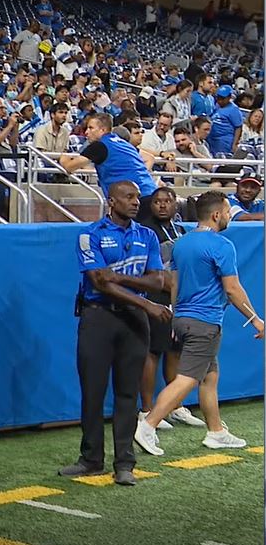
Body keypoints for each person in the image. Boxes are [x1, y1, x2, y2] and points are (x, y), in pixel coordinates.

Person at [135, 191, 262, 455]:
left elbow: (174, 283)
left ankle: (216, 432)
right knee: (188, 379)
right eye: (226, 212)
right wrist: (256, 320)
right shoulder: (222, 245)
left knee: (209, 376)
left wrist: (175, 317)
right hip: (205, 323)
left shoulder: (181, 243)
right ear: (216, 215)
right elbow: (232, 289)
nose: (228, 217)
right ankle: (148, 425)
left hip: (183, 319)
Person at [61, 181, 169, 486]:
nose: (136, 202)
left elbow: (158, 281)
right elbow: (98, 281)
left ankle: (125, 463)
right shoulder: (90, 234)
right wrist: (146, 304)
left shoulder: (147, 235)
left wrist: (118, 277)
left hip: (133, 322)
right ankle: (91, 459)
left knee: (128, 393)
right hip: (98, 318)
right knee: (93, 392)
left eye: (137, 197)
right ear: (111, 201)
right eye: (128, 197)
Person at [137, 187, 195, 428]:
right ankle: (146, 410)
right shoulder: (145, 230)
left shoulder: (179, 229)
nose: (162, 205)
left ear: (175, 204)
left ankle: (175, 406)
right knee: (153, 352)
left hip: (179, 299)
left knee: (175, 350)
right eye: (157, 201)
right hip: (156, 298)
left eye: (167, 201)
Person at [60, 113, 158, 215]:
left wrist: (63, 158)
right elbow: (149, 157)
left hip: (134, 199)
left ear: (102, 130)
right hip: (152, 193)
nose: (86, 132)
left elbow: (69, 167)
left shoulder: (99, 146)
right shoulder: (124, 143)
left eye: (91, 128)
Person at [207, 85, 242, 156]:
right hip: (212, 140)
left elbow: (238, 127)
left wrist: (234, 144)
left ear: (229, 97)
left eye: (222, 98)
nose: (220, 100)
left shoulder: (233, 109)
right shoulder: (217, 105)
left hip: (225, 141)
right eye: (218, 98)